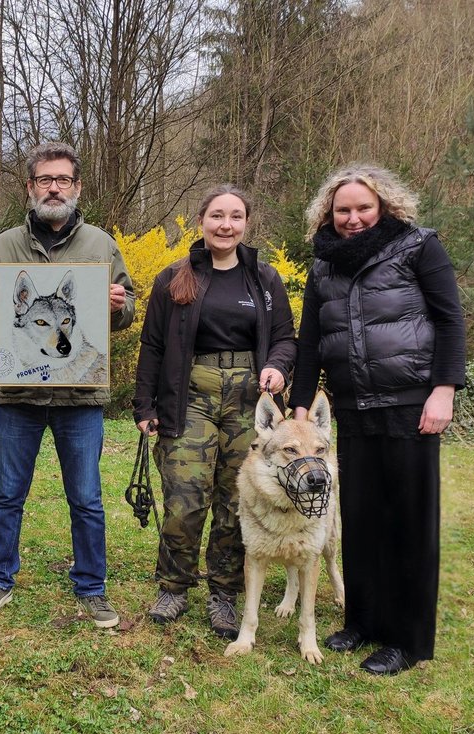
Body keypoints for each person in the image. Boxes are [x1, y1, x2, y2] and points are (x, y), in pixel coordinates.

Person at [289, 164, 466, 675]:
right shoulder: (324, 266)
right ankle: (362, 621)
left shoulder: (418, 246)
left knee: (407, 521)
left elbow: (450, 318)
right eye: (342, 210)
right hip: (352, 407)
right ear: (329, 213)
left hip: (411, 403)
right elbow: (309, 342)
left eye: (363, 207)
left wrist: (444, 390)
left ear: (384, 206)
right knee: (361, 518)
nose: (353, 218)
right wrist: (302, 403)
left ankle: (405, 639)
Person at [0, 142, 135, 628]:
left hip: (80, 396)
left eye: (63, 180)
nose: (54, 187)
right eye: (45, 180)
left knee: (86, 497)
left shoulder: (101, 245)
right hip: (17, 396)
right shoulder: (3, 246)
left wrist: (118, 304)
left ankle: (92, 587)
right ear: (31, 187)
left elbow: (126, 314)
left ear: (77, 187)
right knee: (6, 495)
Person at [132, 185, 296, 638]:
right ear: (201, 220)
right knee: (184, 497)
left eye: (236, 217)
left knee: (236, 499)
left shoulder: (264, 280)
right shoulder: (173, 278)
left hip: (249, 401)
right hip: (190, 397)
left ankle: (225, 593)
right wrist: (144, 405)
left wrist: (278, 368)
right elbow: (152, 346)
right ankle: (174, 586)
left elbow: (285, 337)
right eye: (217, 216)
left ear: (246, 223)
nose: (226, 225)